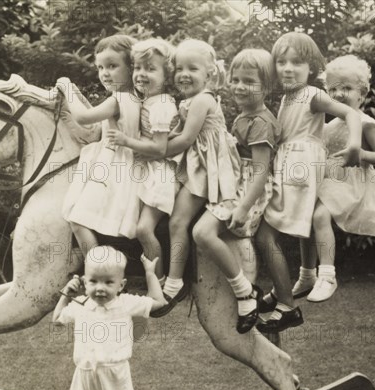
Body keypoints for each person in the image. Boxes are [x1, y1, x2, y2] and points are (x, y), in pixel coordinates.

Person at [256, 32, 362, 333]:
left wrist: (354, 145)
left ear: (312, 67)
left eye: (297, 62)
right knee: (301, 226)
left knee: (266, 236)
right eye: (282, 62)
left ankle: (287, 303)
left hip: (300, 165)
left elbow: (350, 114)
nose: (288, 68)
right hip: (290, 163)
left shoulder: (312, 95)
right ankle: (304, 276)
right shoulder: (287, 98)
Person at [150, 39, 242, 317]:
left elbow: (187, 138)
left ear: (209, 73)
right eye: (179, 68)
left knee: (178, 220)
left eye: (193, 68)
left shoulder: (203, 99)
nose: (184, 74)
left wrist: (153, 152)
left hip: (209, 167)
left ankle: (175, 282)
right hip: (198, 163)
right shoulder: (190, 100)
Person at [192, 48, 280, 333]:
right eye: (236, 79)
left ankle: (245, 292)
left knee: (202, 232)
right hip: (235, 182)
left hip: (247, 190)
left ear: (266, 86)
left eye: (249, 81)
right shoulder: (243, 117)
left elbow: (261, 170)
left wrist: (242, 208)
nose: (240, 86)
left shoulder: (260, 123)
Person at [292, 55, 375, 302]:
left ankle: (327, 274)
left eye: (347, 88)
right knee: (305, 219)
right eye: (333, 88)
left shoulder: (366, 124)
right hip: (329, 180)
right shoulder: (329, 124)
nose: (339, 93)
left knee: (319, 216)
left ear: (363, 95)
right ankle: (307, 274)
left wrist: (363, 154)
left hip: (352, 183)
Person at [52, 246, 167, 390]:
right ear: (85, 282)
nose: (100, 288)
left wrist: (150, 273)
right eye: (94, 281)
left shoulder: (126, 303)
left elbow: (159, 303)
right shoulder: (80, 304)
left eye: (108, 282)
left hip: (115, 373)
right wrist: (66, 293)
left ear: (121, 285)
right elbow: (57, 319)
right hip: (86, 374)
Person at [57, 35, 142, 255]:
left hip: (115, 171)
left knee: (77, 219)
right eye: (100, 67)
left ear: (132, 68)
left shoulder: (119, 99)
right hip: (123, 165)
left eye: (112, 66)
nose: (105, 73)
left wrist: (68, 89)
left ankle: (94, 269)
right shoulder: (134, 98)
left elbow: (84, 117)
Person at [107, 38, 180, 285]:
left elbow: (160, 148)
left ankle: (158, 281)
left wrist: (126, 141)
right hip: (149, 171)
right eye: (138, 68)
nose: (141, 74)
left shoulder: (161, 105)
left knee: (143, 230)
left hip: (161, 175)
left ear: (166, 75)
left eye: (150, 68)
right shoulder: (146, 101)